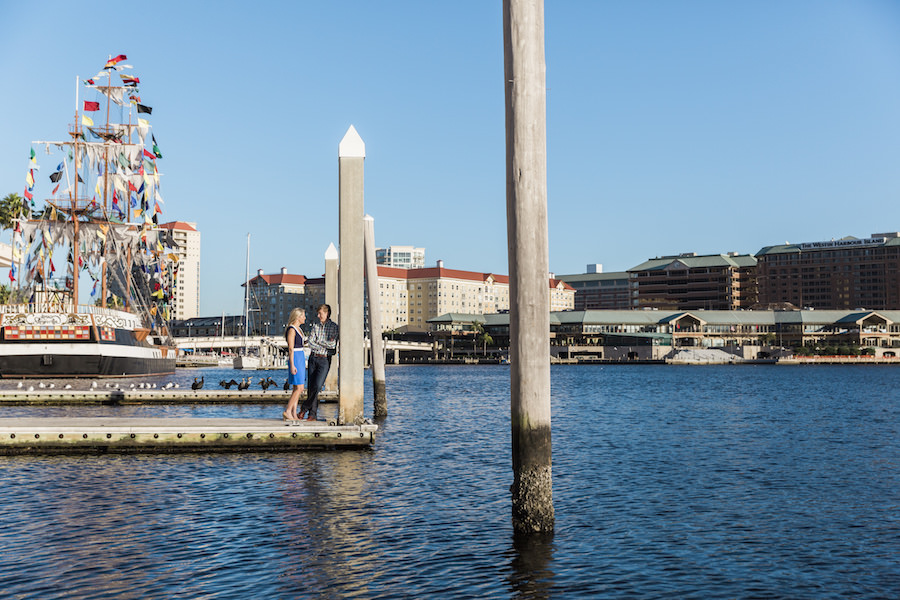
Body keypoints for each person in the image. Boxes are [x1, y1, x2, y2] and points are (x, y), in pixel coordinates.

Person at [299, 303, 338, 421]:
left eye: (320, 313)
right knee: (311, 387)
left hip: (325, 360)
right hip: (313, 358)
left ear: (327, 313)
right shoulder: (315, 325)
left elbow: (332, 345)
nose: (318, 315)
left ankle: (304, 409)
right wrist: (322, 343)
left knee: (317, 386)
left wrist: (318, 342)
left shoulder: (334, 327)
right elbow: (310, 342)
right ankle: (312, 415)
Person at [282, 307, 306, 422]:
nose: (305, 318)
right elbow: (291, 348)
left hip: (300, 356)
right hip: (295, 358)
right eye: (303, 316)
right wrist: (292, 365)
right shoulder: (292, 330)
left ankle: (293, 413)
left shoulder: (299, 329)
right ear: (298, 317)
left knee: (297, 387)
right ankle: (287, 411)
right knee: (300, 388)